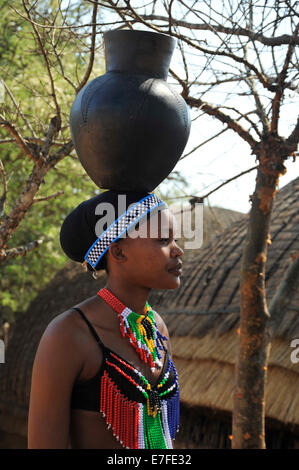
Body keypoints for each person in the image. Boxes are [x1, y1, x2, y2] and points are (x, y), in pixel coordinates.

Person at [28, 190, 184, 449]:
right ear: (119, 252)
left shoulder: (156, 327)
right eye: (162, 240)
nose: (177, 250)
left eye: (175, 239)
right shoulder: (69, 335)